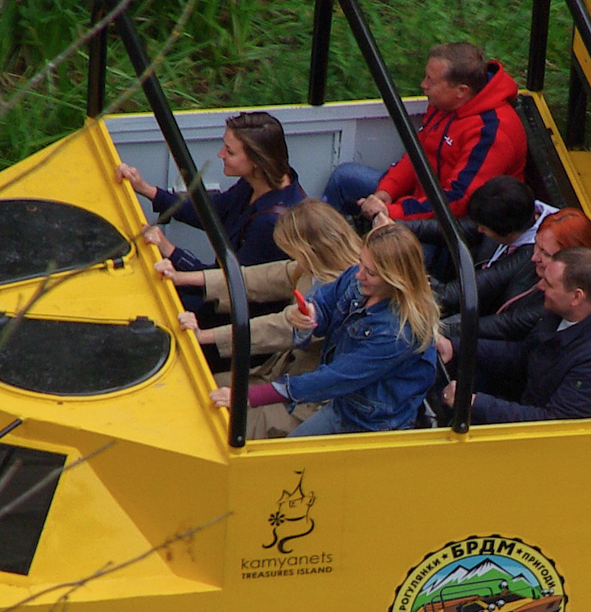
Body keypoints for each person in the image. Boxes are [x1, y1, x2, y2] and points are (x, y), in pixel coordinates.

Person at [214, 223, 441, 437]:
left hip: (370, 423)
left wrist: (249, 396)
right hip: (343, 404)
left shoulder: (397, 334)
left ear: (395, 279)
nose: (358, 273)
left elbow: (335, 378)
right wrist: (311, 312)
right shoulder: (358, 279)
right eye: (362, 263)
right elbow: (326, 299)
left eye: (370, 273)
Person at [167, 200, 368, 426]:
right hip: (280, 372)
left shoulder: (345, 291)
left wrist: (204, 336)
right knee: (197, 388)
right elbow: (257, 278)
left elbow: (279, 328)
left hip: (304, 400)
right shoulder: (311, 269)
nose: (294, 260)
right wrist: (181, 277)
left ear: (311, 251)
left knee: (220, 417)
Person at [321, 44, 527, 228]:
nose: (423, 85)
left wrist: (391, 212)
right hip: (420, 199)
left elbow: (459, 201)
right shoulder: (444, 104)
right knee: (345, 177)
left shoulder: (492, 132)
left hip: (452, 225)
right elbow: (417, 156)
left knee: (397, 251)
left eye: (431, 80)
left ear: (461, 91)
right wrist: (385, 192)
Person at [444, 248, 591, 424]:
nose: (539, 286)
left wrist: (474, 403)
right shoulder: (564, 311)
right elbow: (524, 354)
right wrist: (456, 347)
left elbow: (554, 423)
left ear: (576, 297)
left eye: (549, 284)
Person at [119, 110, 304, 277]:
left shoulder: (270, 224)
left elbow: (230, 285)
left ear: (257, 161)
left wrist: (169, 250)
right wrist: (146, 189)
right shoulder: (257, 180)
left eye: (230, 152)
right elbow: (211, 212)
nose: (220, 154)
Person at [451, 207, 591, 345]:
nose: (534, 257)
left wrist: (446, 331)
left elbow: (510, 324)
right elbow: (489, 280)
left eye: (545, 253)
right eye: (536, 245)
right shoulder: (531, 258)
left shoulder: (562, 301)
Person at [430, 176, 551, 319]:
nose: (479, 230)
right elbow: (455, 228)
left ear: (509, 232)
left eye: (484, 229)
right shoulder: (517, 212)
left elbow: (483, 283)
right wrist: (401, 226)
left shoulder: (531, 255)